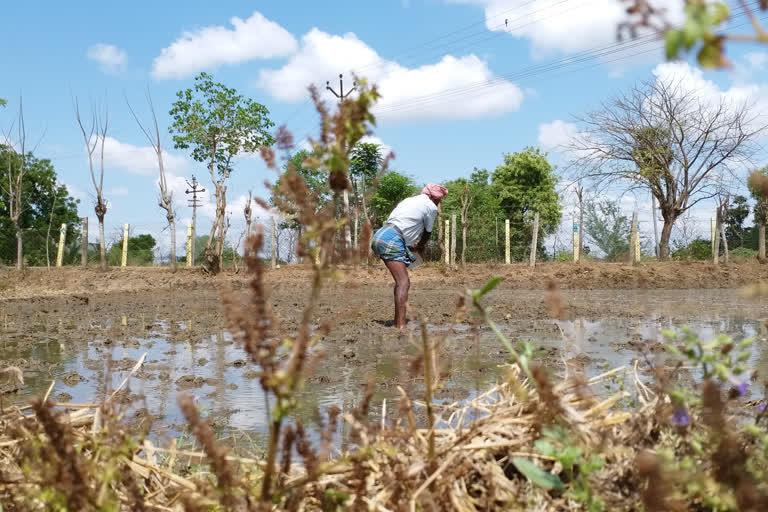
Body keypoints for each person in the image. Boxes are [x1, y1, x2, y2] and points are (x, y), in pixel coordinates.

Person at [371, 183, 448, 328]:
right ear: (435, 198)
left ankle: (397, 322)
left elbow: (403, 225)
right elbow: (427, 232)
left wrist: (410, 243)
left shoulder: (408, 200)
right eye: (439, 200)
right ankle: (400, 326)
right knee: (403, 281)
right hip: (392, 239)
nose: (439, 203)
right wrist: (420, 246)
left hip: (381, 234)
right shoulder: (431, 207)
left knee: (401, 281)